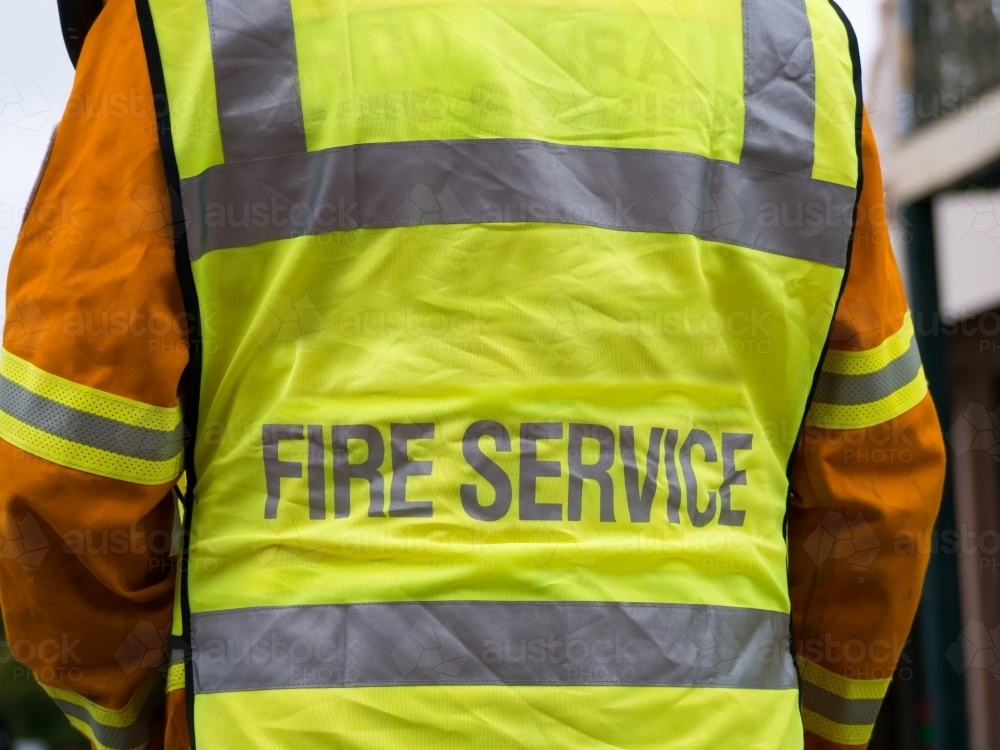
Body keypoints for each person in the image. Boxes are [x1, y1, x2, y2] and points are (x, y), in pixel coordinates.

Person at [0, 0, 945, 748]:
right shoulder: (794, 48)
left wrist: (149, 725)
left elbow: (58, 477)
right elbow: (876, 497)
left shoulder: (180, 32)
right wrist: (797, 729)